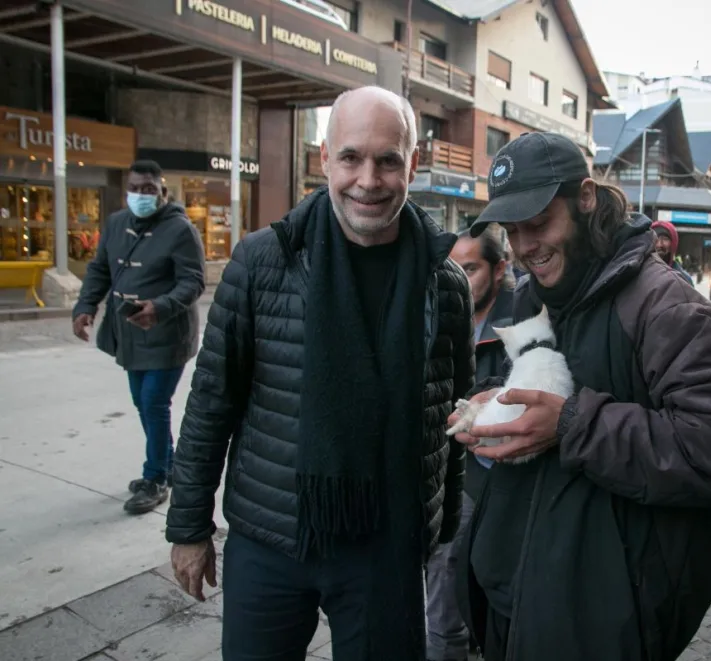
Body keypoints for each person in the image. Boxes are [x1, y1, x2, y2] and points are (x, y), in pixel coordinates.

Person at [449, 132, 711, 661]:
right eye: (512, 231)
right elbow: (548, 402)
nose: (524, 247)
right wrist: (495, 408)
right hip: (513, 602)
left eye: (539, 223)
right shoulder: (532, 297)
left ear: (585, 198)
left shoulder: (662, 306)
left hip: (604, 623)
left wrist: (572, 425)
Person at [164, 86, 474, 661]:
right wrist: (189, 526)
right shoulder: (263, 261)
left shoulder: (446, 283)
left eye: (388, 161)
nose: (369, 180)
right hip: (272, 537)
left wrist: (442, 531)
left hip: (387, 546)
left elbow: (449, 418)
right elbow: (212, 401)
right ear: (325, 159)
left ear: (411, 165)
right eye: (352, 157)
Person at [72, 160, 205, 515]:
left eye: (149, 189)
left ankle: (156, 478)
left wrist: (159, 307)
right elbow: (100, 269)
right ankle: (171, 463)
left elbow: (193, 282)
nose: (141, 195)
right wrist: (85, 306)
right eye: (135, 188)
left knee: (153, 403)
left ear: (162, 191)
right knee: (140, 400)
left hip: (167, 334)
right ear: (126, 190)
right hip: (129, 334)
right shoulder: (116, 224)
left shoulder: (180, 230)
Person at [426, 225, 514, 661]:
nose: (459, 277)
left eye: (471, 268)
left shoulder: (522, 323)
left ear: (499, 270)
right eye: (453, 267)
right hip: (441, 474)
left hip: (490, 479)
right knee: (441, 594)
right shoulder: (436, 309)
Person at [650, 220, 693, 284]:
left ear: (673, 244)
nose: (660, 244)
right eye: (655, 239)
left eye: (665, 239)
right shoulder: (639, 274)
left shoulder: (684, 279)